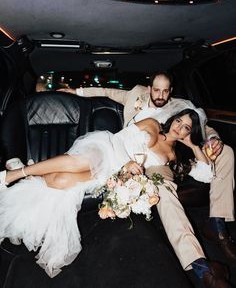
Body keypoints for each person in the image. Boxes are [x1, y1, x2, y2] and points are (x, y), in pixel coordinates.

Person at [0, 109, 231, 286]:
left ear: (190, 133)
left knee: (59, 182)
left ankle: (30, 177)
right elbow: (121, 139)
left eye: (187, 128)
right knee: (81, 162)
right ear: (173, 119)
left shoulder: (173, 155)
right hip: (107, 149)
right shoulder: (151, 123)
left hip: (113, 174)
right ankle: (14, 174)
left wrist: (193, 145)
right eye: (179, 121)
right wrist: (127, 163)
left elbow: (206, 175)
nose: (179, 128)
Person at [57, 70, 236, 262]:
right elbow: (106, 91)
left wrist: (212, 138)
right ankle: (196, 259)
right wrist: (75, 92)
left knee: (226, 152)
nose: (161, 95)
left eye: (165, 91)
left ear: (171, 91)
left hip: (167, 154)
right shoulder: (136, 94)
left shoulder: (180, 107)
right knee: (162, 187)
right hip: (137, 155)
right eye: (157, 90)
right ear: (149, 88)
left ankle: (217, 226)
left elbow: (202, 124)